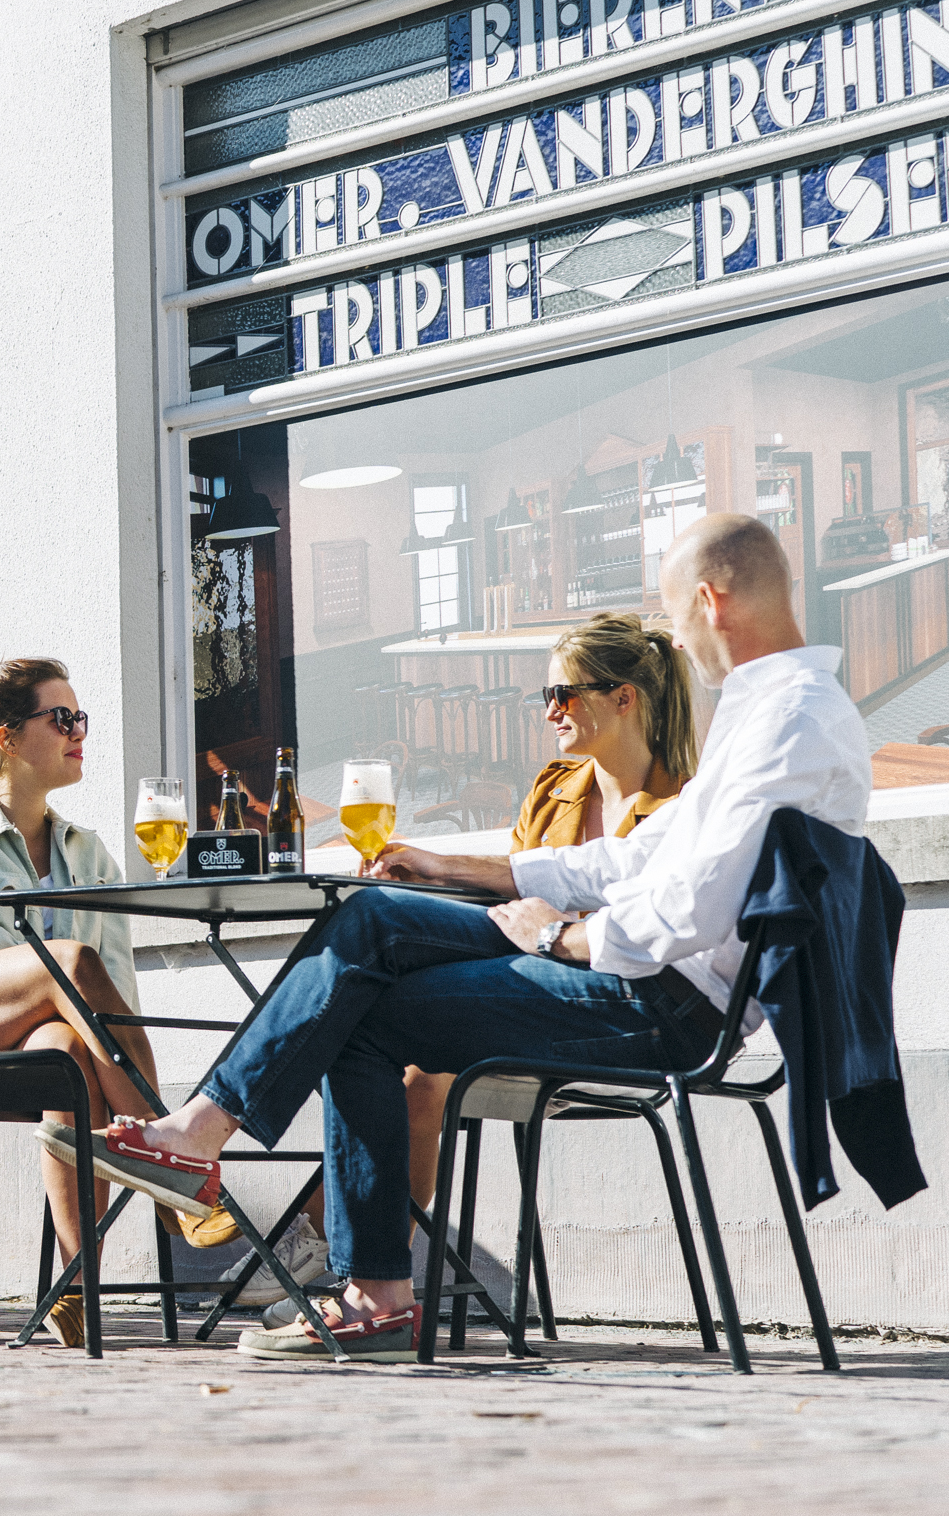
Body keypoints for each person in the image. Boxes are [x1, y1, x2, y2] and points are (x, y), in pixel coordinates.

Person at [90, 515, 866, 1362]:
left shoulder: (791, 722)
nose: (681, 641)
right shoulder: (773, 711)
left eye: (679, 619)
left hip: (664, 1007)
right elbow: (641, 855)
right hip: (645, 980)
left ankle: (345, 1266)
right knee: (374, 922)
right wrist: (465, 870)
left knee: (362, 1008)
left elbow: (685, 911)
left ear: (712, 603)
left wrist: (559, 936)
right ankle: (226, 1154)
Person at [260, 610, 700, 1320]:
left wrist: (544, 926)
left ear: (625, 697)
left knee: (398, 1043)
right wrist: (438, 875)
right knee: (375, 976)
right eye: (544, 696)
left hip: (602, 1014)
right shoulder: (557, 786)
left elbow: (595, 918)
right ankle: (354, 1267)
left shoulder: (682, 807)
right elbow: (518, 887)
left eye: (565, 693)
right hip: (525, 985)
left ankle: (340, 1259)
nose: (550, 709)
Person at [0, 656, 164, 1348]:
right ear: (8, 738)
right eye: (62, 718)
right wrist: (47, 973)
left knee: (73, 1051)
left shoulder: (91, 851)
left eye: (82, 717)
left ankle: (80, 1290)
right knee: (67, 960)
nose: (80, 731)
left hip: (38, 1038)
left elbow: (117, 993)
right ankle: (171, 1155)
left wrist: (79, 1012)